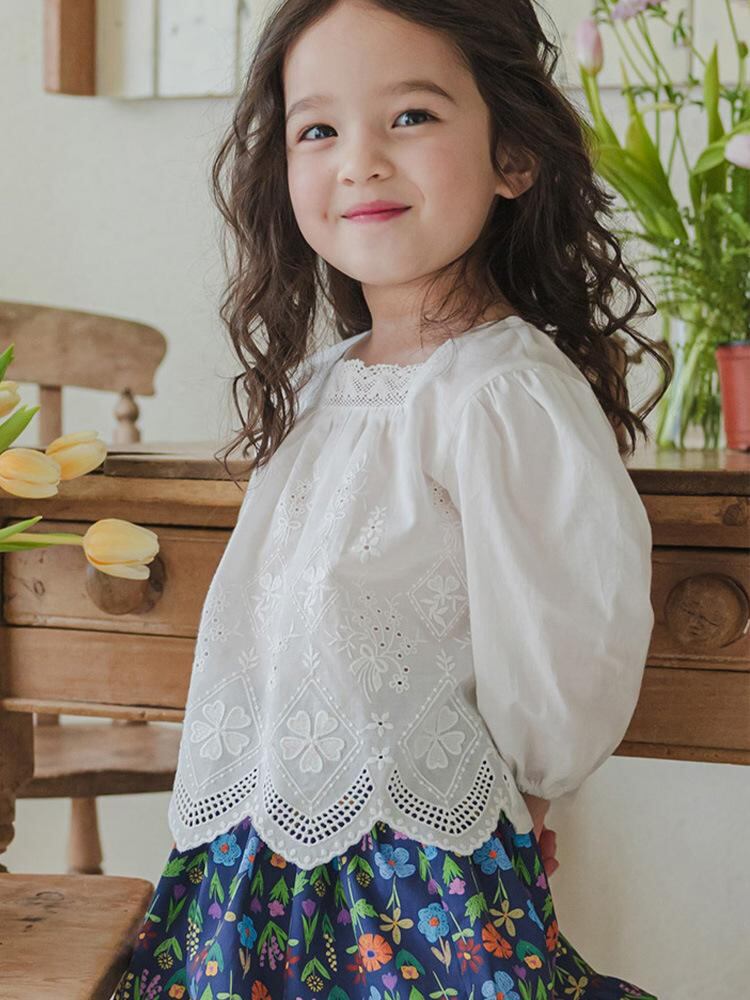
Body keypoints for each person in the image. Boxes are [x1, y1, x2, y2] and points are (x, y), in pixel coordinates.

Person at [115, 1, 671, 997]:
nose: (360, 161)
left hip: (409, 887)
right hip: (258, 867)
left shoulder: (501, 394)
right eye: (318, 129)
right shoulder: (319, 387)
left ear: (513, 154)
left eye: (410, 116)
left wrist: (534, 784)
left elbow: (563, 647)